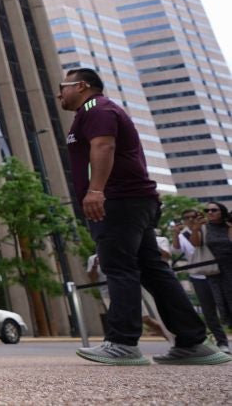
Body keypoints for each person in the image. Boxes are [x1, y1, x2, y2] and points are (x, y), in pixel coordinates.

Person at [59, 67, 229, 365]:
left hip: (118, 200)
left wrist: (96, 190)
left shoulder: (96, 108)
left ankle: (122, 343)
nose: (60, 92)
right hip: (131, 200)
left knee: (119, 267)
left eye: (64, 86)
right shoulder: (91, 112)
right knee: (153, 269)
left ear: (82, 86)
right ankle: (193, 342)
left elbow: (103, 145)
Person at [175, 209, 230, 354]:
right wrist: (175, 233)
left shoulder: (209, 229)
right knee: (209, 311)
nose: (190, 219)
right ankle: (222, 341)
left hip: (219, 272)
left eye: (193, 216)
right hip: (199, 275)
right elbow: (176, 250)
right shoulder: (183, 235)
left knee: (226, 304)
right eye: (186, 217)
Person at [199, 202, 232, 333]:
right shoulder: (205, 228)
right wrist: (196, 228)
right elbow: (196, 245)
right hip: (215, 270)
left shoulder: (228, 226)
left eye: (214, 210)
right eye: (207, 210)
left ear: (222, 212)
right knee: (222, 301)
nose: (210, 213)